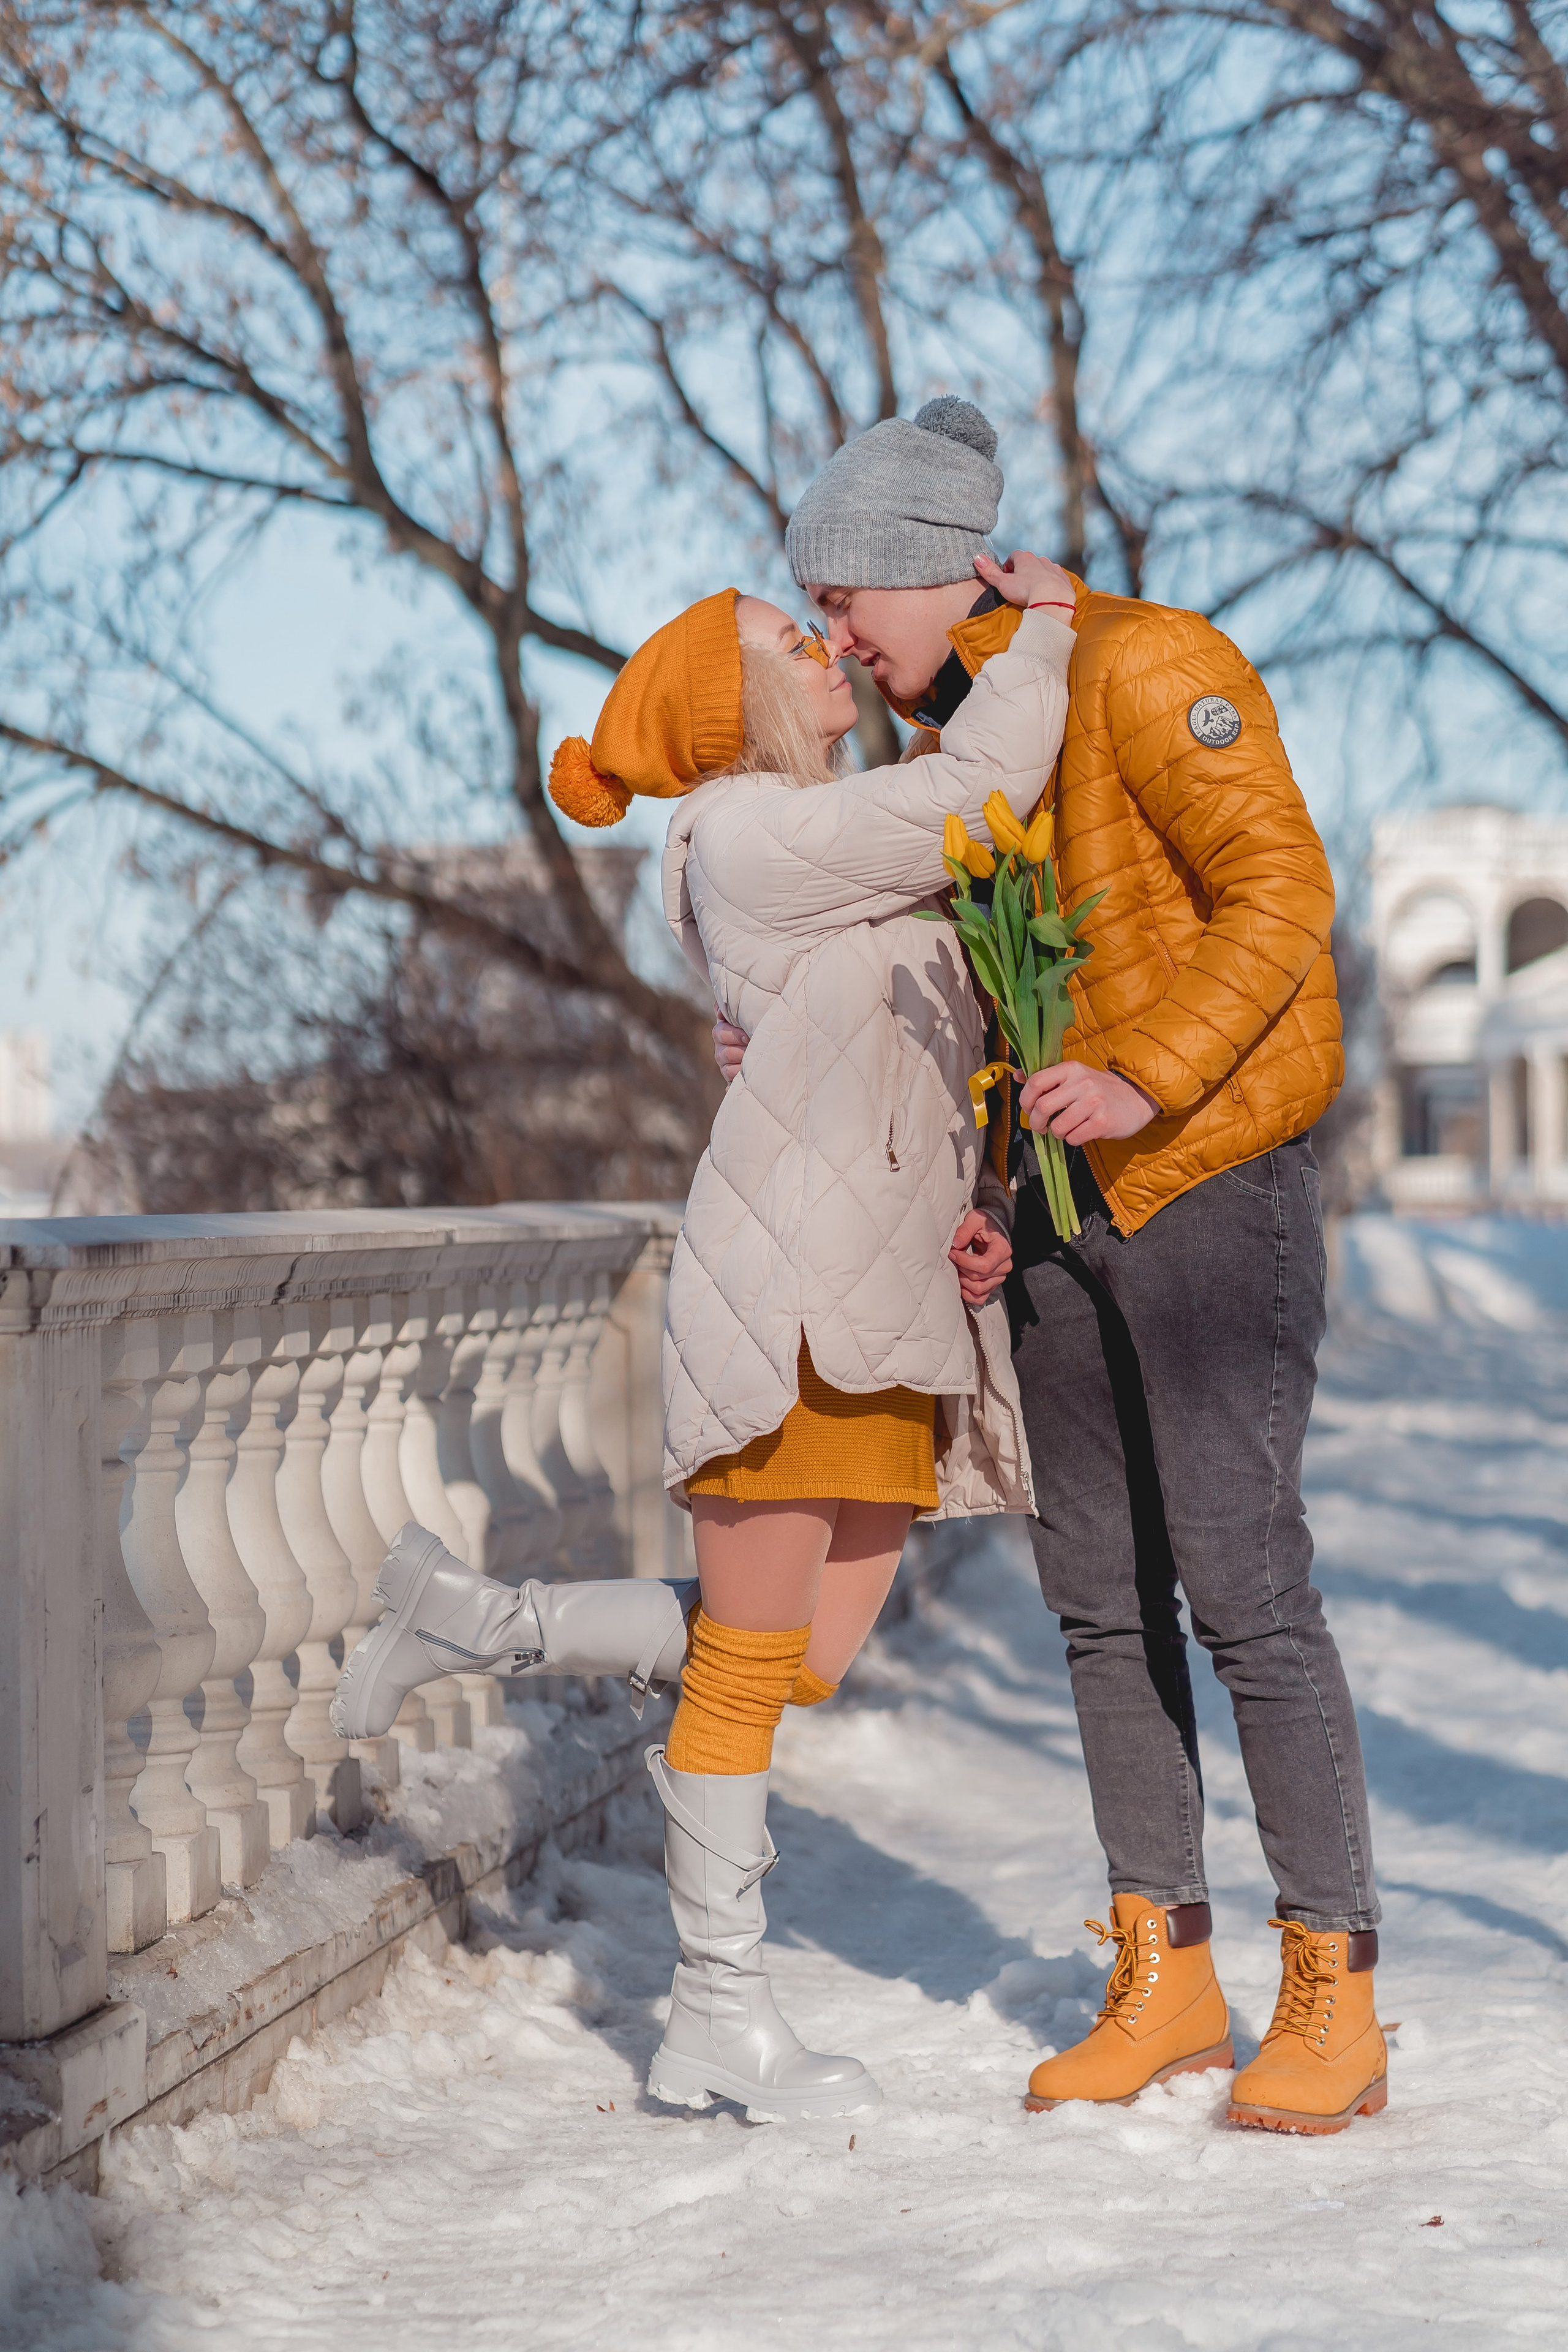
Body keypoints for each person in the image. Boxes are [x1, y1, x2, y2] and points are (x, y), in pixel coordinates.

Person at [334, 541, 1077, 2121]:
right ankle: (718, 2016)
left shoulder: (816, 840)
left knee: (805, 1655)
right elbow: (984, 791)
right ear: (735, 703)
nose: (828, 650)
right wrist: (1048, 632)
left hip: (882, 1299)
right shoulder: (746, 830)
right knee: (746, 1667)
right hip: (791, 1291)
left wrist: (981, 1181)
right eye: (792, 641)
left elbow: (915, 1024)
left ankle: (482, 1622)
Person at [716, 394, 1384, 2137]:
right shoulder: (963, 759)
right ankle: (1167, 1974)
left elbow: (1281, 895)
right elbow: (994, 1008)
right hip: (1061, 1226)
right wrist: (995, 1184)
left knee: (1245, 1586)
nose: (837, 637)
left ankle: (1335, 1984)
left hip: (1210, 1188)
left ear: (932, 571)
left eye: (845, 598)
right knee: (1099, 1603)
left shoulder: (1149, 662)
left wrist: (1146, 1075)